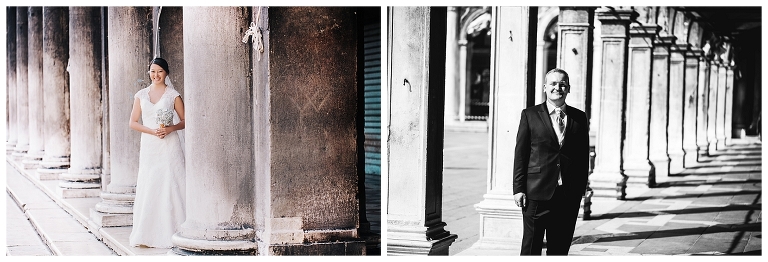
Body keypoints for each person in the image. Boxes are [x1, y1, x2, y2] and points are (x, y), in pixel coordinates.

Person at [513, 68, 589, 255]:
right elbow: (521, 154)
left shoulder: (579, 117)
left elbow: (582, 156)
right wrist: (518, 189)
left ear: (568, 88)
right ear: (545, 87)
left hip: (567, 195)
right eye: (553, 83)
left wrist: (581, 189)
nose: (558, 87)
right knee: (531, 247)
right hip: (536, 194)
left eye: (562, 84)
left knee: (560, 249)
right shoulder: (529, 115)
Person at [128, 57, 186, 248]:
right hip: (150, 146)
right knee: (150, 183)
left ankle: (176, 230)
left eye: (160, 71)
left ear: (166, 73)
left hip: (169, 144)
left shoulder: (173, 95)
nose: (156, 75)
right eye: (153, 71)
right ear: (149, 73)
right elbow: (133, 122)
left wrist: (170, 128)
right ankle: (147, 233)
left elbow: (186, 121)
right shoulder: (141, 95)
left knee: (170, 182)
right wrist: (152, 131)